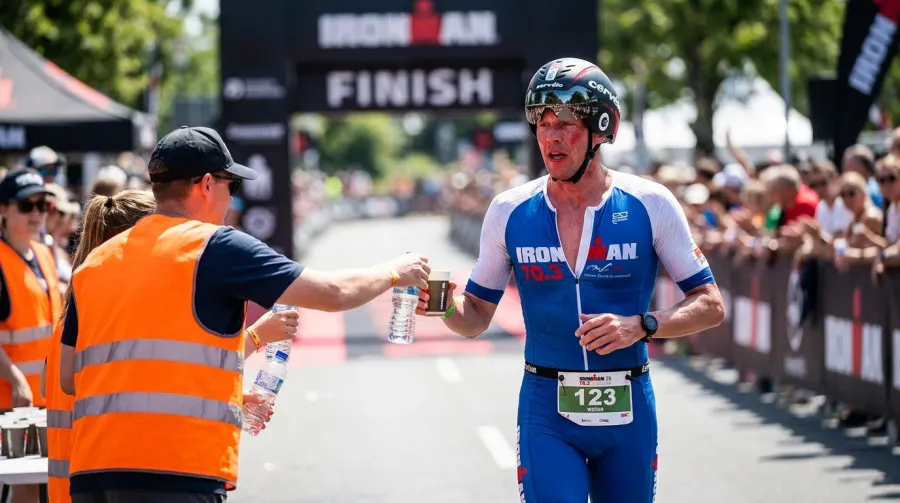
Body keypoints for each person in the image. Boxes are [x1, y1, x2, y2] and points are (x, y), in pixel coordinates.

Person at [57, 126, 430, 503]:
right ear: (206, 184)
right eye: (230, 187)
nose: (232, 201)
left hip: (93, 473)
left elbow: (71, 377)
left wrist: (221, 394)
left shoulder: (96, 262)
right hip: (176, 471)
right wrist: (395, 270)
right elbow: (334, 293)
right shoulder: (213, 246)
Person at [417, 58, 725, 503]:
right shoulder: (508, 210)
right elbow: (475, 317)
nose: (550, 136)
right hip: (547, 407)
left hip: (628, 404)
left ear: (602, 128)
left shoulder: (651, 203)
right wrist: (440, 301)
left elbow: (710, 303)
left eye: (565, 123)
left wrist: (643, 325)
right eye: (541, 123)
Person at [43, 190, 301, 503]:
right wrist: (257, 337)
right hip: (127, 474)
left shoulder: (83, 309)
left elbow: (145, 381)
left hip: (86, 482)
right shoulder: (105, 315)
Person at [0, 168, 61, 503]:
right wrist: (17, 380)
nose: (37, 213)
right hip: (12, 404)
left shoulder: (43, 254)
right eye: (27, 205)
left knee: (42, 487)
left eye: (43, 205)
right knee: (23, 487)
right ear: (4, 209)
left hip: (46, 400)